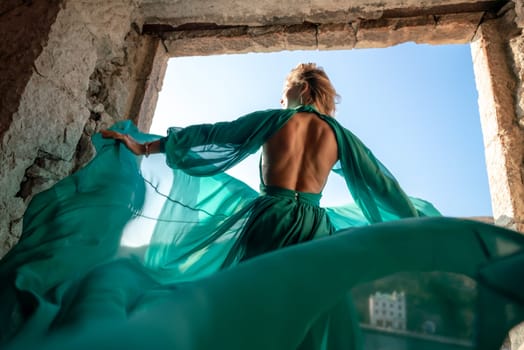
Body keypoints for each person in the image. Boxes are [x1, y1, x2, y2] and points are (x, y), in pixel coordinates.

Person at [1, 63, 524, 350]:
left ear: (294, 91)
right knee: (306, 304)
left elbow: (213, 140)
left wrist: (145, 147)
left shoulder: (275, 121)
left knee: (248, 294)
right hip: (313, 222)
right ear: (324, 98)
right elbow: (382, 190)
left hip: (267, 217)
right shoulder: (340, 137)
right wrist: (424, 230)